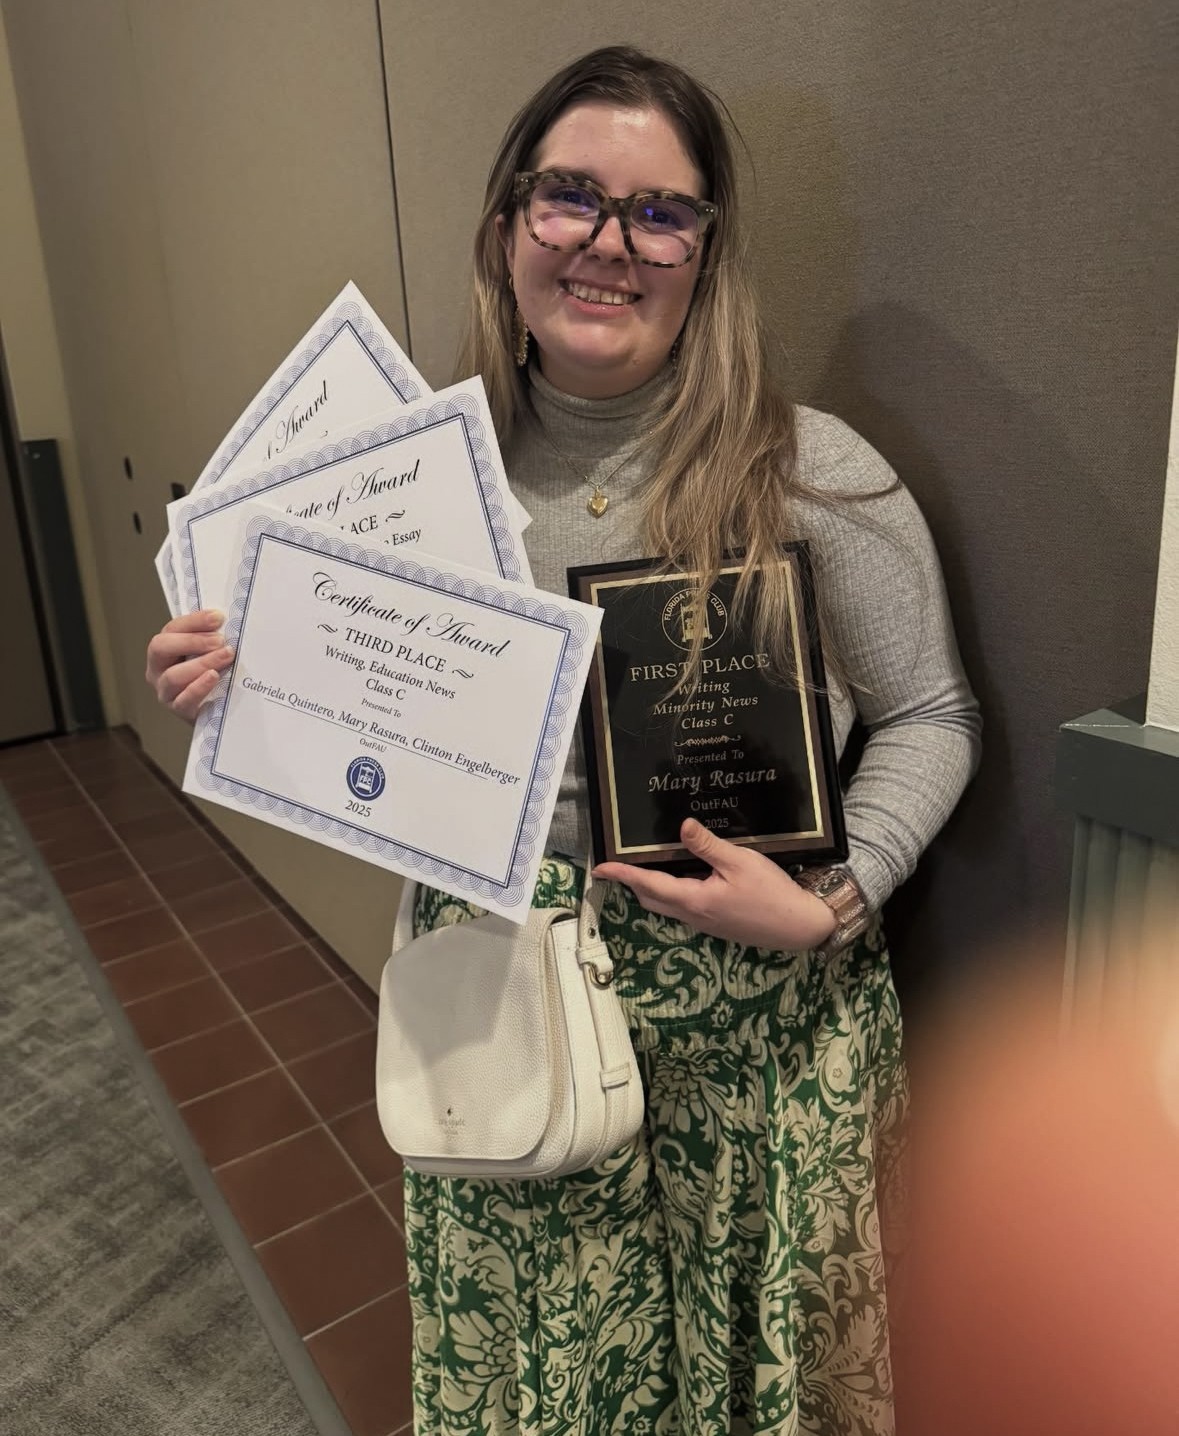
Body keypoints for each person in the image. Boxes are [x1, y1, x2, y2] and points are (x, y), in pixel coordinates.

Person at [146, 45, 980, 1436]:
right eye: (571, 197)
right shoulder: (411, 489)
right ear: (507, 226)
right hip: (508, 1024)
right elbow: (369, 733)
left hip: (762, 1054)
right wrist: (234, 683)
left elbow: (932, 716)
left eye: (661, 213)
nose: (610, 243)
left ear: (706, 253)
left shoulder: (812, 470)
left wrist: (837, 900)